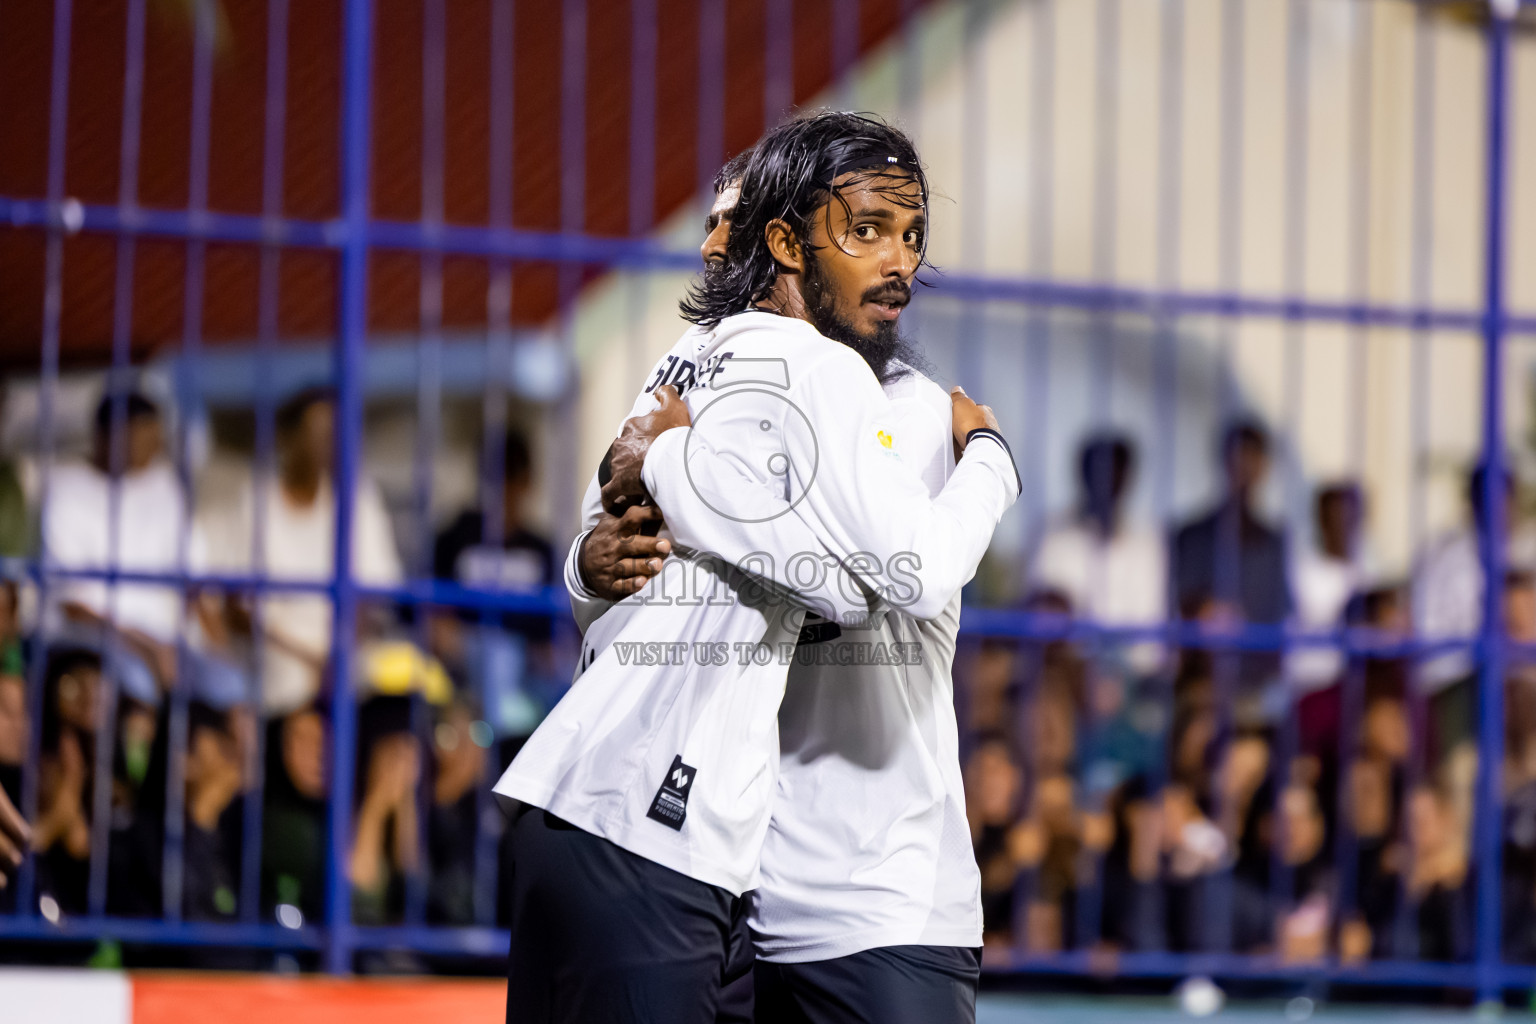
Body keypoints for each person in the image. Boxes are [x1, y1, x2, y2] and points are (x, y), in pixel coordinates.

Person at [494, 112, 1020, 1024]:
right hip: (724, 875)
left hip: (865, 903)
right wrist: (592, 561)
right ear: (787, 240)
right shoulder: (735, 368)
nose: (707, 244)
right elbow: (609, 563)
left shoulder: (893, 405)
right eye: (870, 231)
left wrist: (669, 474)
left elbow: (886, 581)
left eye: (910, 238)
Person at [201, 387, 404, 715]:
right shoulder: (253, 502)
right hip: (276, 655)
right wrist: (306, 658)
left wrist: (338, 653)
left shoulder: (359, 498)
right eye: (318, 431)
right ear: (287, 438)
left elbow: (373, 597)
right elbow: (237, 610)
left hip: (346, 654)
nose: (330, 442)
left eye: (338, 431)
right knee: (289, 683)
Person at [41, 390, 246, 711]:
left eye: (156, 438)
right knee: (138, 680)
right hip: (91, 639)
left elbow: (195, 585)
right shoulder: (63, 489)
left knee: (230, 684)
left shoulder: (165, 486)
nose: (154, 449)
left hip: (166, 644)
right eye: (142, 438)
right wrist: (146, 645)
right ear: (104, 437)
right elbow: (73, 606)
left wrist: (221, 649)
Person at [431, 428, 556, 740]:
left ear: (526, 482)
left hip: (527, 673)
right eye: (496, 480)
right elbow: (431, 614)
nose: (504, 492)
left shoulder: (542, 549)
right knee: (496, 655)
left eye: (512, 480)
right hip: (462, 668)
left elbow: (555, 634)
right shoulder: (454, 538)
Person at [1030, 434, 1166, 675]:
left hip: (1133, 679)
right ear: (1082, 475)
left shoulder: (1147, 542)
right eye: (1099, 473)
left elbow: (1150, 633)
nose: (1107, 483)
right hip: (1064, 674)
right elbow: (1042, 616)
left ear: (1127, 479)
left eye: (1115, 474)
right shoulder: (1053, 535)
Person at [1288, 482, 1369, 693]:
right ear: (1321, 520)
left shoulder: (1368, 575)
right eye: (1336, 516)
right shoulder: (1300, 573)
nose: (1343, 524)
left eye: (1350, 516)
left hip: (1352, 690)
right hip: (1308, 688)